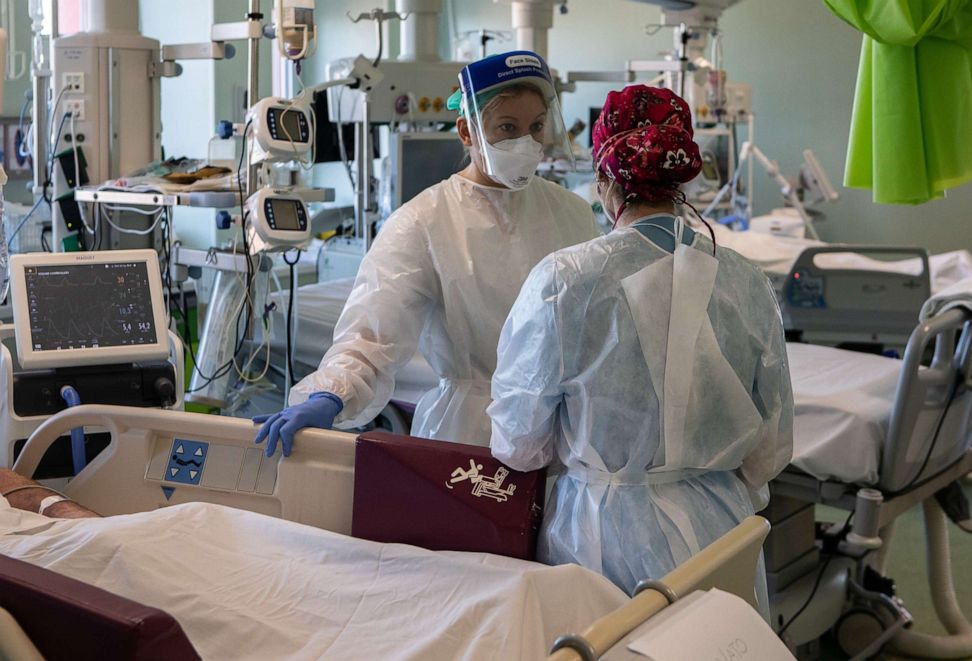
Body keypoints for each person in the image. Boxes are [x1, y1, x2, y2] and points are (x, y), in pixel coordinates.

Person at [487, 85, 794, 605]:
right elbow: (770, 448)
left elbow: (519, 445)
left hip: (598, 537)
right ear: (680, 178)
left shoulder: (565, 280)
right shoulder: (746, 281)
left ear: (604, 177)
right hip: (721, 531)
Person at [254, 51, 599, 457]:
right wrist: (330, 394)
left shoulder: (571, 213)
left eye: (536, 127)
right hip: (473, 434)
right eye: (507, 128)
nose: (525, 143)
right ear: (467, 132)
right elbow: (372, 334)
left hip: (566, 430)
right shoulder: (425, 221)